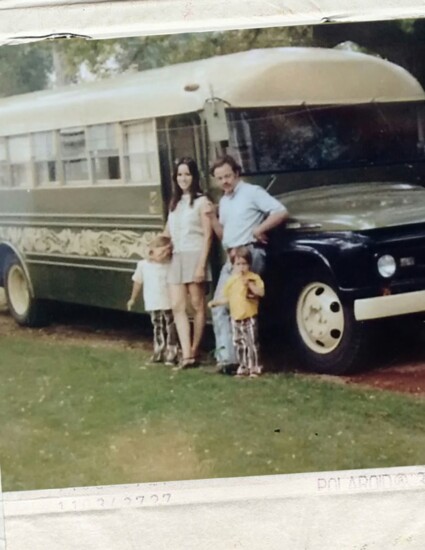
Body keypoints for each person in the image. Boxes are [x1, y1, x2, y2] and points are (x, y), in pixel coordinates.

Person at [206, 154, 289, 372]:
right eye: (220, 178)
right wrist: (213, 219)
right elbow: (225, 235)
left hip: (250, 253)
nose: (225, 181)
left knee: (243, 307)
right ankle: (228, 360)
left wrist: (260, 229)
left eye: (227, 176)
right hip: (232, 257)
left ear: (236, 173)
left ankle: (246, 361)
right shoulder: (224, 201)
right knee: (221, 304)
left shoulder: (252, 192)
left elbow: (280, 211)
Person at [163, 157, 213, 369]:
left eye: (187, 174)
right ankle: (186, 353)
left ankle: (193, 350)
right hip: (177, 257)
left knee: (197, 305)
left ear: (194, 177)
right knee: (177, 305)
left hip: (195, 255)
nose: (183, 178)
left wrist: (201, 265)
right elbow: (167, 232)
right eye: (180, 174)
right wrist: (157, 248)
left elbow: (208, 236)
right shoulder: (174, 204)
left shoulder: (202, 202)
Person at [208, 246, 265, 378]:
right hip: (236, 316)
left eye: (244, 264)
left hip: (249, 315)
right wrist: (215, 302)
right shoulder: (231, 280)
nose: (241, 267)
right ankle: (243, 366)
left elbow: (261, 292)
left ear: (249, 264)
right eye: (238, 264)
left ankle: (254, 366)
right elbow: (226, 297)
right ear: (233, 265)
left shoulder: (254, 278)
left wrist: (250, 285)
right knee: (239, 342)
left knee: (251, 342)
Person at [127, 235, 178, 365]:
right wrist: (132, 298)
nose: (164, 255)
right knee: (158, 326)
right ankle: (159, 350)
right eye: (161, 252)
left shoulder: (170, 265)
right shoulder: (143, 265)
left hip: (169, 302)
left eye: (167, 252)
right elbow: (138, 282)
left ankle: (172, 351)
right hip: (153, 302)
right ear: (152, 251)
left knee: (171, 326)